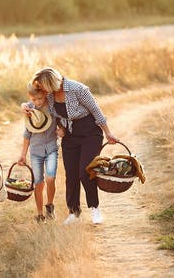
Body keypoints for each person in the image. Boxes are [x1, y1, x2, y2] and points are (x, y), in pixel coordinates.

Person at [22, 67, 120, 225]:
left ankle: (94, 208)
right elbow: (33, 102)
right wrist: (24, 106)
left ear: (50, 84)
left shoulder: (78, 89)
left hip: (90, 134)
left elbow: (96, 111)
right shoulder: (50, 95)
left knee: (85, 171)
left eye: (42, 86)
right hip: (70, 136)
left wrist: (108, 133)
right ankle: (74, 212)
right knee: (71, 175)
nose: (41, 90)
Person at [18, 82, 59, 223]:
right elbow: (27, 134)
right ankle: (40, 214)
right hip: (35, 150)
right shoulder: (30, 109)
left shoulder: (53, 107)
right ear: (30, 98)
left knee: (50, 178)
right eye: (34, 100)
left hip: (52, 148)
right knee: (39, 183)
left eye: (40, 99)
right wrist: (23, 154)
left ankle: (50, 205)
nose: (37, 102)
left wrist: (62, 130)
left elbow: (61, 122)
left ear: (45, 95)